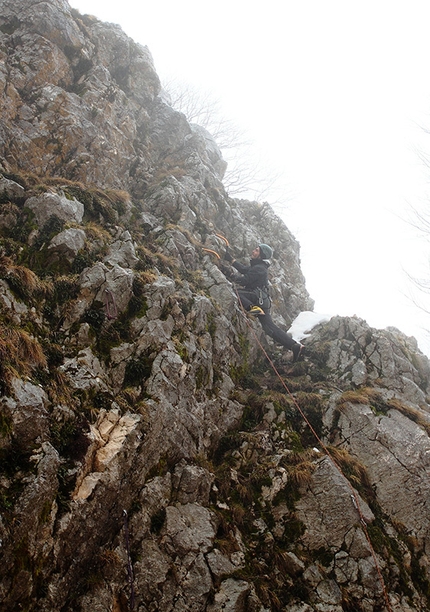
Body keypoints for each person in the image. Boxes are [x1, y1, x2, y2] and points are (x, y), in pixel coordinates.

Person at [223, 243, 304, 362]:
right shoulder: (259, 266)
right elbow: (244, 269)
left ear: (261, 255)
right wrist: (231, 260)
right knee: (269, 328)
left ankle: (251, 307)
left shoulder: (259, 268)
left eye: (256, 251)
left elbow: (244, 279)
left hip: (257, 298)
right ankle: (295, 346)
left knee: (235, 291)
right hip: (261, 299)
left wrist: (229, 274)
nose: (253, 251)